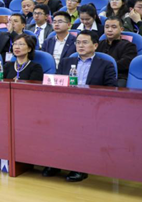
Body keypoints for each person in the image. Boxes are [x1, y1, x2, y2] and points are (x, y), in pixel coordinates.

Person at [48, 30, 117, 183]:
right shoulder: (66, 62)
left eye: (85, 42)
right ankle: (55, 163)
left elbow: (111, 90)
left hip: (92, 108)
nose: (80, 45)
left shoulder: (106, 65)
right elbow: (57, 84)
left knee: (79, 127)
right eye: (78, 42)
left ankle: (79, 167)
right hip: (67, 105)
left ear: (95, 45)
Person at [97, 16, 136, 87]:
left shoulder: (129, 46)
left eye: (114, 27)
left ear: (121, 29)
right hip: (98, 75)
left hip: (119, 77)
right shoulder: (98, 44)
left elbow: (125, 64)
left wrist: (104, 68)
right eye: (107, 27)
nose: (109, 30)